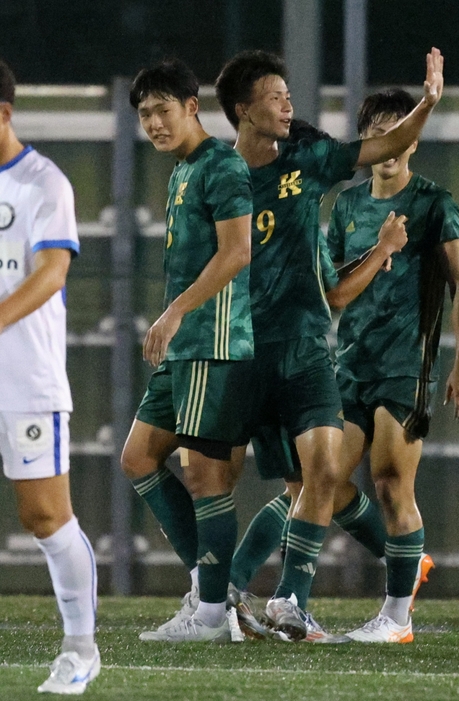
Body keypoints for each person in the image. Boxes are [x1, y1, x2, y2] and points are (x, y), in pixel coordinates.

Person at [214, 51, 442, 641]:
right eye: (275, 95)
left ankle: (279, 595)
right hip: (245, 350)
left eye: (290, 94)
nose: (289, 104)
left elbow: (455, 286)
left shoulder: (313, 166)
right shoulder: (220, 177)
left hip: (325, 355)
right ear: (243, 110)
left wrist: (431, 102)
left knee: (334, 477)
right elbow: (339, 290)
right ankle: (217, 597)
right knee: (259, 480)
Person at [325, 87, 459, 644]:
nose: (388, 145)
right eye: (377, 132)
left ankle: (396, 618)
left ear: (412, 139)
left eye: (399, 131)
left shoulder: (436, 202)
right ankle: (408, 561)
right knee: (325, 479)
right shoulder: (346, 205)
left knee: (390, 483)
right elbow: (338, 282)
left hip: (405, 363)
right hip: (351, 362)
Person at [121, 58, 255, 643]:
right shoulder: (181, 172)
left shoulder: (221, 165)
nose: (153, 122)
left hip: (213, 344)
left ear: (191, 107)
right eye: (145, 114)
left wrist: (174, 312)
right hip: (185, 348)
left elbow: (238, 251)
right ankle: (212, 590)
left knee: (205, 477)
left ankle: (209, 613)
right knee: (137, 458)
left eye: (162, 110)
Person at [0, 58, 99, 695]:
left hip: (24, 380)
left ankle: (80, 649)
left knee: (45, 517)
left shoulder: (43, 183)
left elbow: (51, 272)